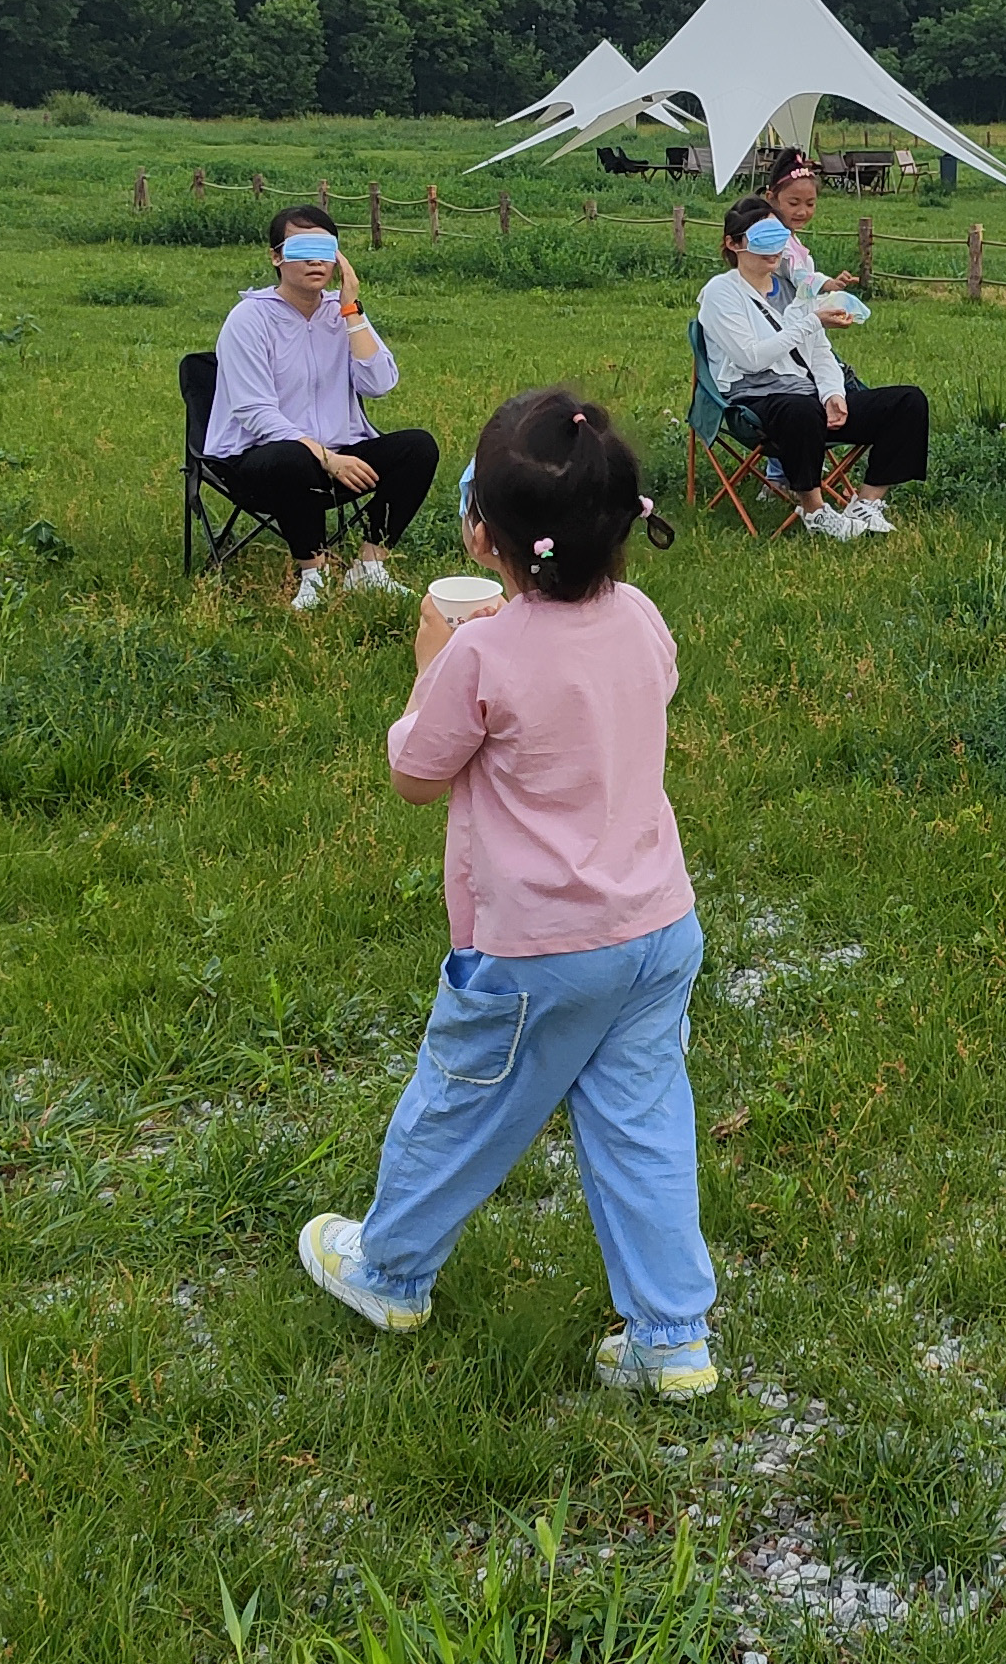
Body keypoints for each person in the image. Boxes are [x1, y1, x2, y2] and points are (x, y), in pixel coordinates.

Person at [297, 389, 718, 1397]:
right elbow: (634, 690)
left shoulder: (479, 649)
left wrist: (427, 664)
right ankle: (671, 1339)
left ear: (482, 535)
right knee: (643, 1124)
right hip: (656, 927)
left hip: (535, 952)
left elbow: (415, 771)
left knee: (457, 1107)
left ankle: (390, 1271)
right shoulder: (642, 614)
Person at [203, 205, 441, 609]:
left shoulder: (339, 312)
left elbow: (380, 383)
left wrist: (351, 310)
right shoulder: (248, 319)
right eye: (302, 248)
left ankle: (369, 569)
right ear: (276, 257)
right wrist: (327, 458)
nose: (315, 260)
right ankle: (315, 575)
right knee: (291, 457)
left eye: (325, 248)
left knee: (418, 447)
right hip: (259, 462)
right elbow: (256, 413)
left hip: (339, 453)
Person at [696, 197, 929, 537]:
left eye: (778, 237)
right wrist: (811, 321)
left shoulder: (796, 289)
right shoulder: (721, 292)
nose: (773, 250)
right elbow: (751, 358)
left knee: (908, 402)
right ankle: (814, 510)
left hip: (809, 395)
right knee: (800, 409)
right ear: (734, 244)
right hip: (756, 401)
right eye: (762, 239)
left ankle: (867, 502)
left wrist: (834, 393)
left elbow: (820, 352)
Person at [760, 150, 869, 331]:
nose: (803, 212)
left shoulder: (788, 235)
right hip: (780, 320)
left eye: (810, 204)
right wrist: (826, 284)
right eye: (794, 203)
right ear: (772, 199)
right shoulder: (776, 240)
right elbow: (798, 276)